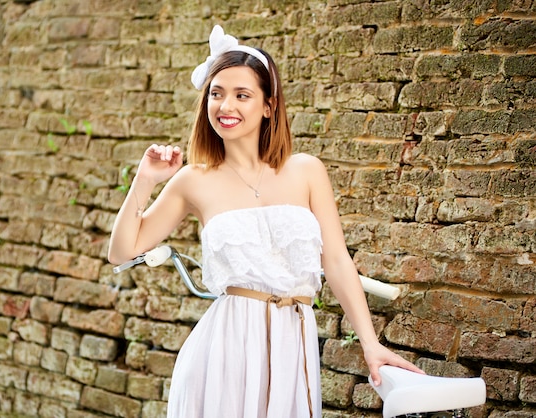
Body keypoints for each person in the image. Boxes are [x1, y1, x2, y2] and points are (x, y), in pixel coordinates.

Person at [108, 25, 423, 418]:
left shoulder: (306, 171)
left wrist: (371, 344)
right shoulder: (194, 180)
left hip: (294, 342)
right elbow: (121, 251)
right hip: (226, 348)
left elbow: (338, 262)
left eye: (242, 95)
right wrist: (145, 180)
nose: (226, 106)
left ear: (269, 106)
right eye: (217, 94)